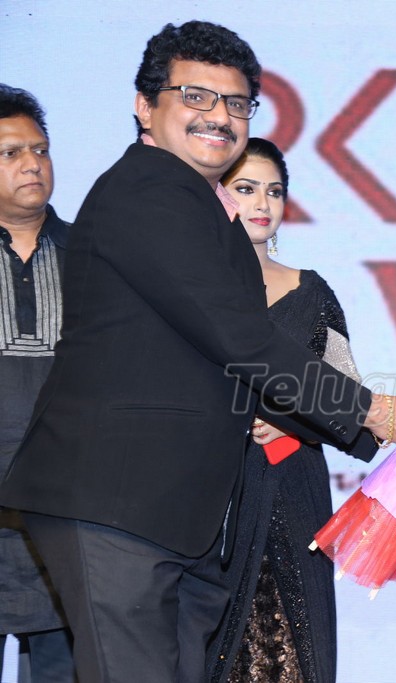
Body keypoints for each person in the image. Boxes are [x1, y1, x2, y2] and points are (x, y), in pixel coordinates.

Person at [0, 21, 396, 683]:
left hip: (171, 511)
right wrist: (373, 411)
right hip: (115, 501)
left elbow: (213, 354)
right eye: (196, 96)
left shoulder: (197, 202)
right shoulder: (148, 191)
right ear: (144, 106)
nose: (219, 116)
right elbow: (239, 336)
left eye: (236, 103)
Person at [206, 138, 354, 682]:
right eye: (246, 189)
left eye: (274, 191)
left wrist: (292, 421)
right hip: (210, 492)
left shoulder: (312, 293)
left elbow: (347, 396)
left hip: (294, 486)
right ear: (218, 195)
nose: (263, 203)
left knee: (296, 647)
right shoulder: (191, 290)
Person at [0, 85, 75, 683]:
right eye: (10, 153)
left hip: (66, 517)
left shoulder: (94, 256)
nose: (32, 164)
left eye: (40, 150)